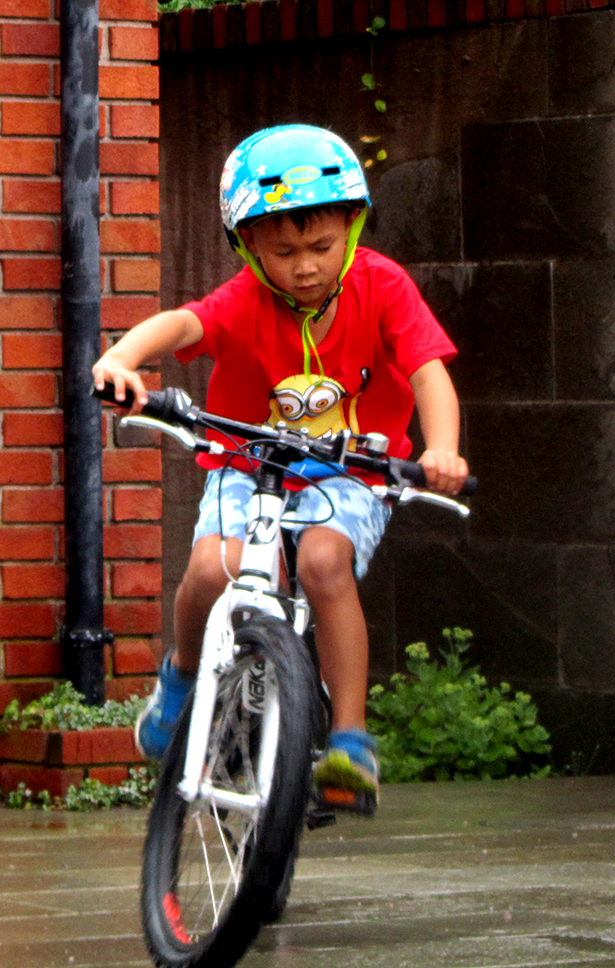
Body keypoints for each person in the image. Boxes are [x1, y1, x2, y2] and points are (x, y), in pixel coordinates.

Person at [92, 124, 469, 814]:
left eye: (321, 246)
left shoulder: (382, 286)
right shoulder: (245, 298)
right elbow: (183, 325)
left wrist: (441, 448)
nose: (304, 267)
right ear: (248, 247)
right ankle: (181, 678)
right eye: (283, 251)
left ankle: (349, 740)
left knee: (324, 564)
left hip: (350, 473)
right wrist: (121, 359)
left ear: (351, 228)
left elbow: (427, 371)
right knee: (211, 569)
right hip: (248, 463)